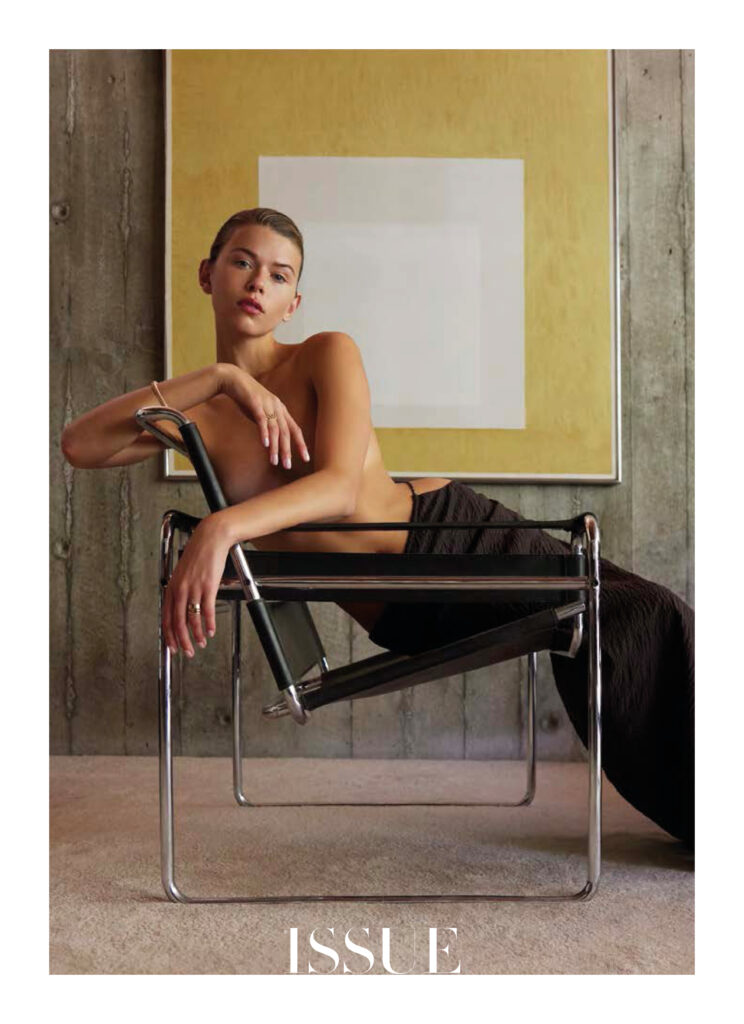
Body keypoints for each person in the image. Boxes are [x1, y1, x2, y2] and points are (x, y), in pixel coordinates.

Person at [61, 207, 694, 849]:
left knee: (636, 615)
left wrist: (220, 527)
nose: (257, 283)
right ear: (207, 274)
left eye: (279, 275)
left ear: (292, 302)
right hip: (400, 610)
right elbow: (79, 445)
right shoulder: (197, 416)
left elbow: (338, 489)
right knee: (610, 616)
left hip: (448, 539)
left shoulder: (325, 353)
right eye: (242, 263)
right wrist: (220, 379)